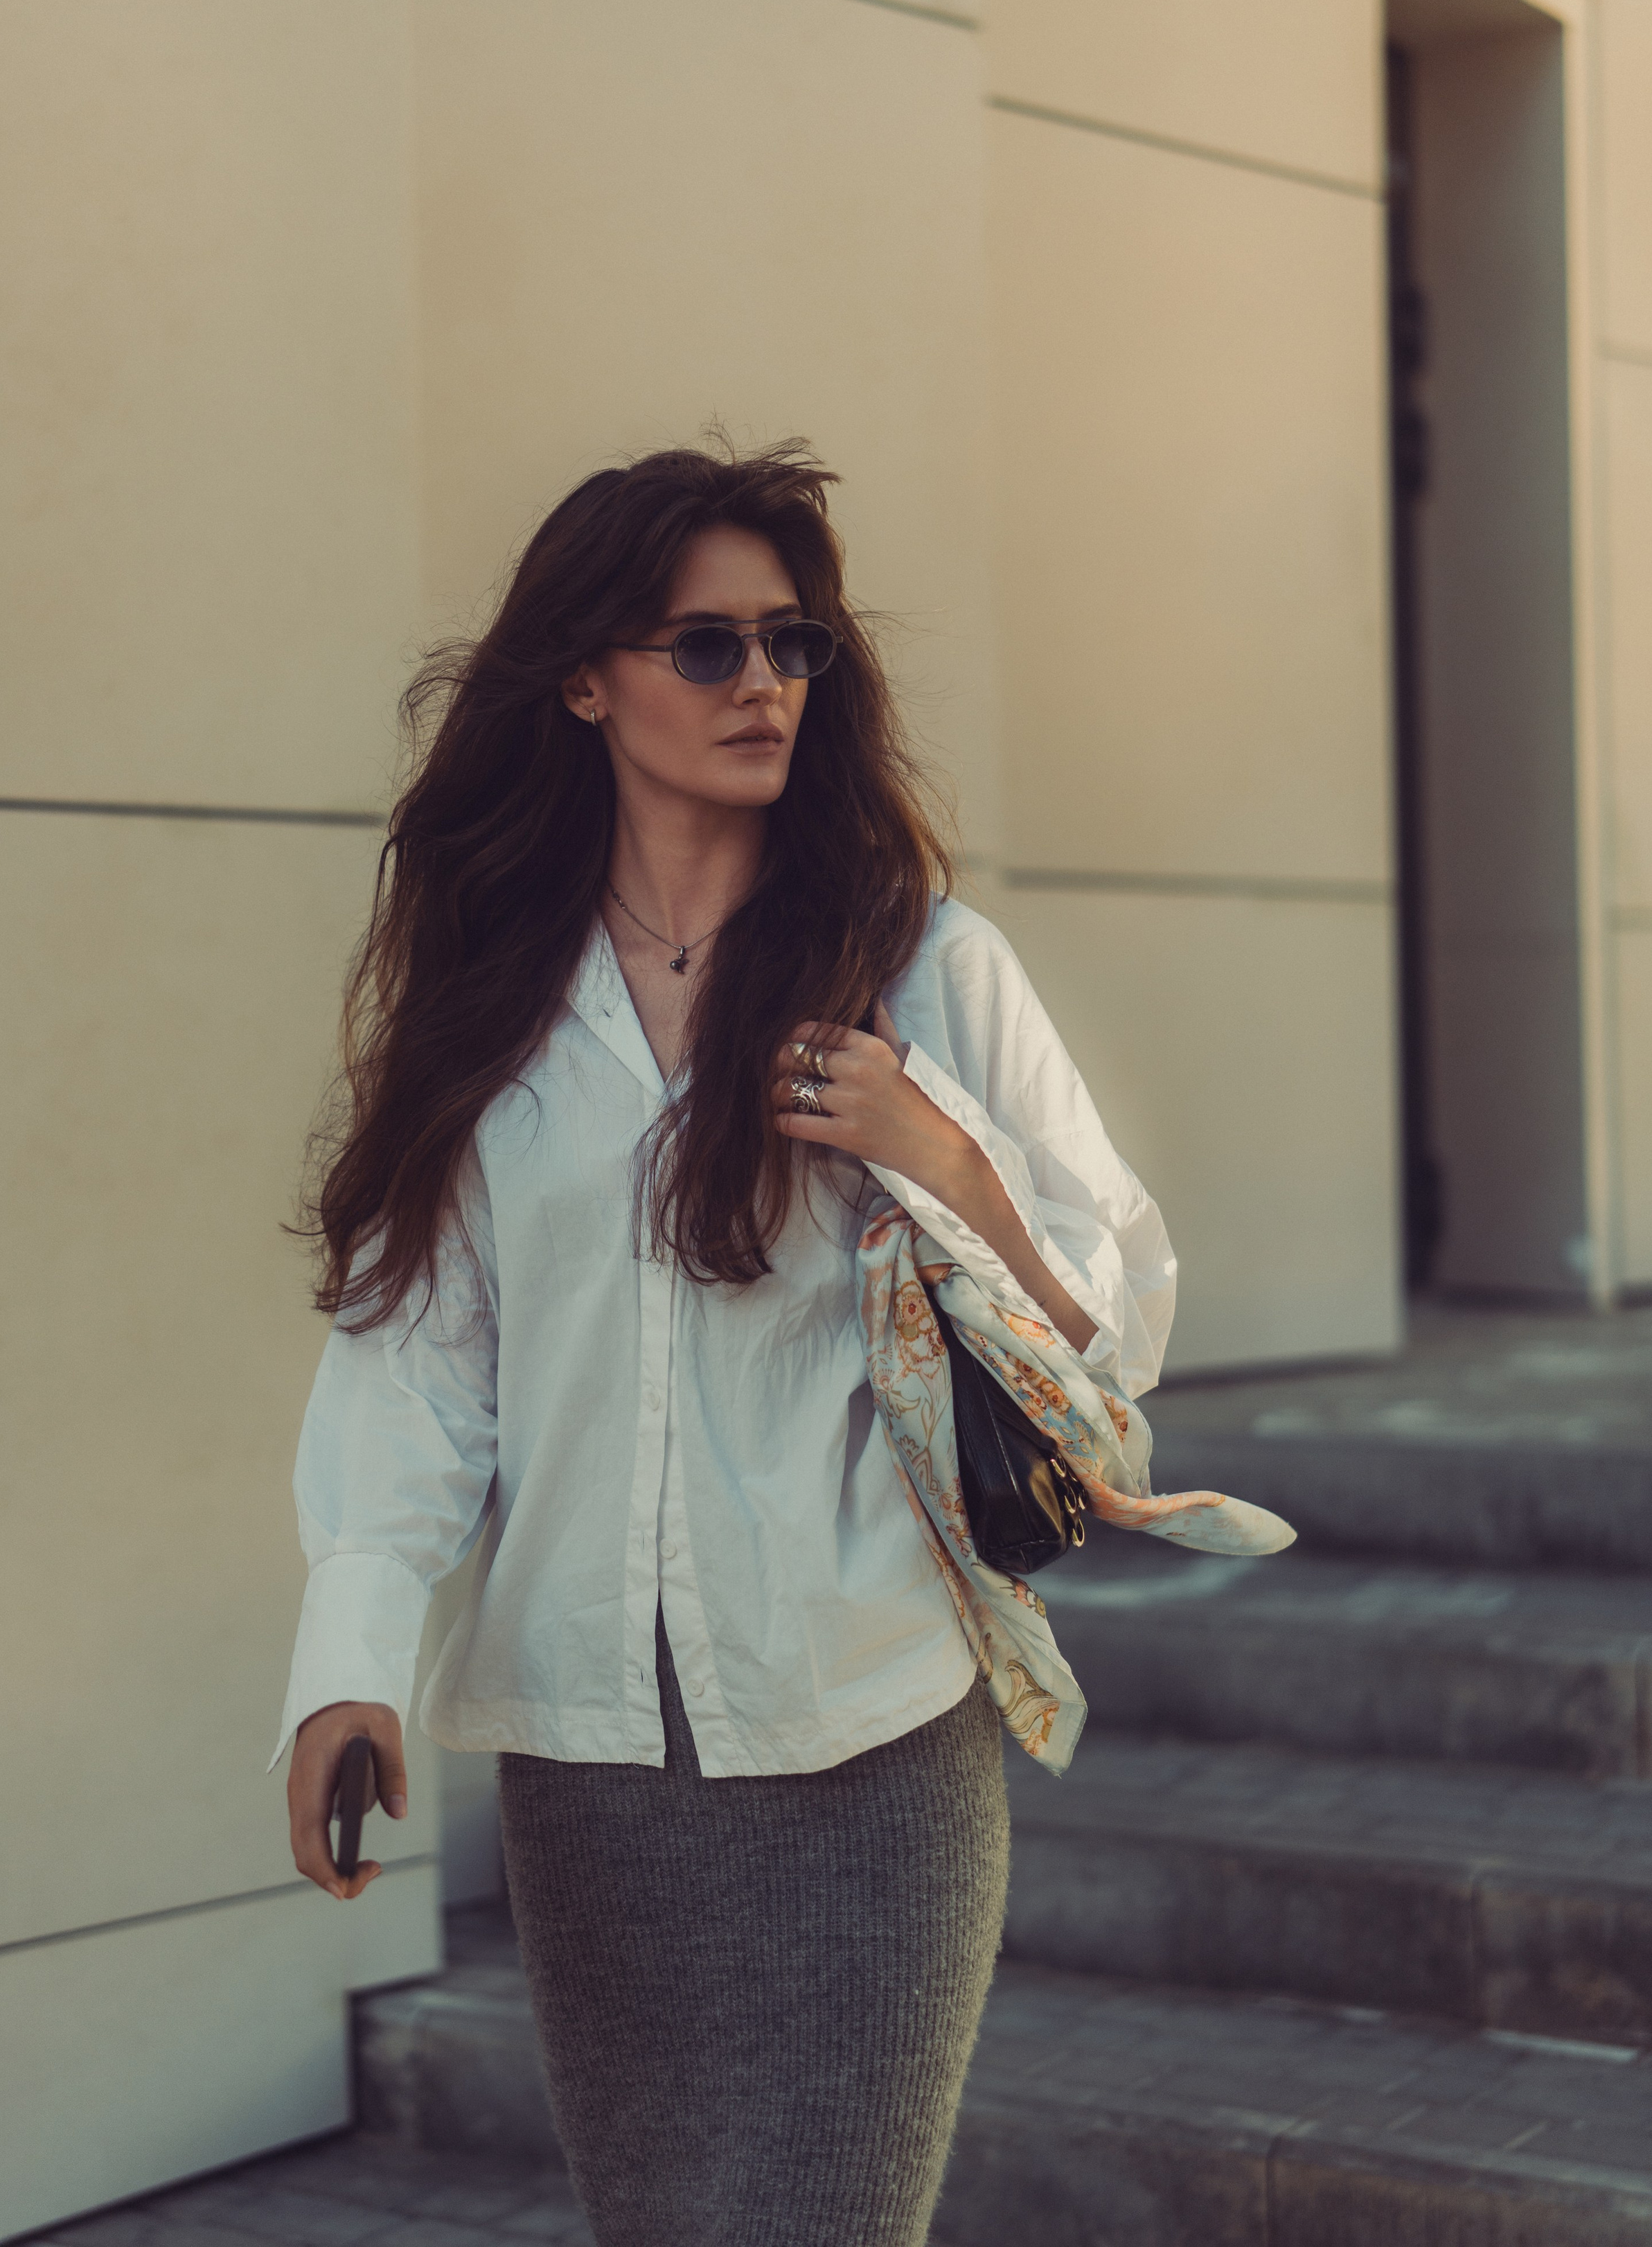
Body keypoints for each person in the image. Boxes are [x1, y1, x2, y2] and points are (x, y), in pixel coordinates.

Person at [276, 441, 1174, 2246]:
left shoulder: (926, 965)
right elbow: (419, 1361)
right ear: (584, 680)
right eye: (708, 645)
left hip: (869, 1726)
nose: (763, 681)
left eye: (792, 643)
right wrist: (347, 1661)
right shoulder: (498, 996)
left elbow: (1113, 1319)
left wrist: (940, 1152)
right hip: (592, 1767)